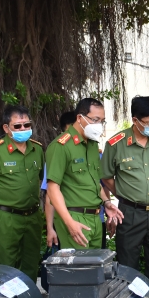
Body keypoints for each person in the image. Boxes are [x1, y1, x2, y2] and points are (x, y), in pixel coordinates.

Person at [101, 96, 149, 298]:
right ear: (135, 120)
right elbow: (107, 177)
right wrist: (126, 194)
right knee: (127, 265)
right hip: (130, 213)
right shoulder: (116, 144)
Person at [0, 105, 45, 281]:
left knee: (30, 263)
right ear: (6, 128)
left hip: (33, 216)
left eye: (27, 125)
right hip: (6, 218)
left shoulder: (37, 150)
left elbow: (40, 179)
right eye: (18, 126)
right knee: (4, 266)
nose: (24, 129)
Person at [45, 99, 122, 249]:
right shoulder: (61, 146)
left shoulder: (92, 145)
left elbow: (94, 182)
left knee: (94, 270)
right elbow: (52, 189)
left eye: (102, 121)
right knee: (78, 270)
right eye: (95, 120)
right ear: (80, 118)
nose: (99, 125)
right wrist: (69, 222)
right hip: (74, 217)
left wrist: (106, 203)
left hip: (95, 217)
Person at [44, 110, 78, 248]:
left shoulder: (92, 149)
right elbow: (50, 195)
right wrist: (50, 227)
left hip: (97, 219)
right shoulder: (58, 151)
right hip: (68, 220)